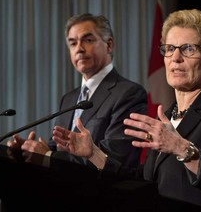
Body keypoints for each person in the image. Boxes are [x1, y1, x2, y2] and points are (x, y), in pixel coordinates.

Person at [52, 9, 201, 211]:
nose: (176, 57)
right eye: (170, 48)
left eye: (188, 49)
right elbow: (142, 184)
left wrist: (182, 148)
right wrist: (94, 154)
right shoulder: (166, 117)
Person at [6, 13, 147, 169]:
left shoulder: (129, 94)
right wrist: (28, 152)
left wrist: (48, 157)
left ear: (109, 45)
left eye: (88, 40)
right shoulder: (69, 98)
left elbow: (115, 159)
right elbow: (57, 147)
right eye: (73, 43)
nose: (79, 49)